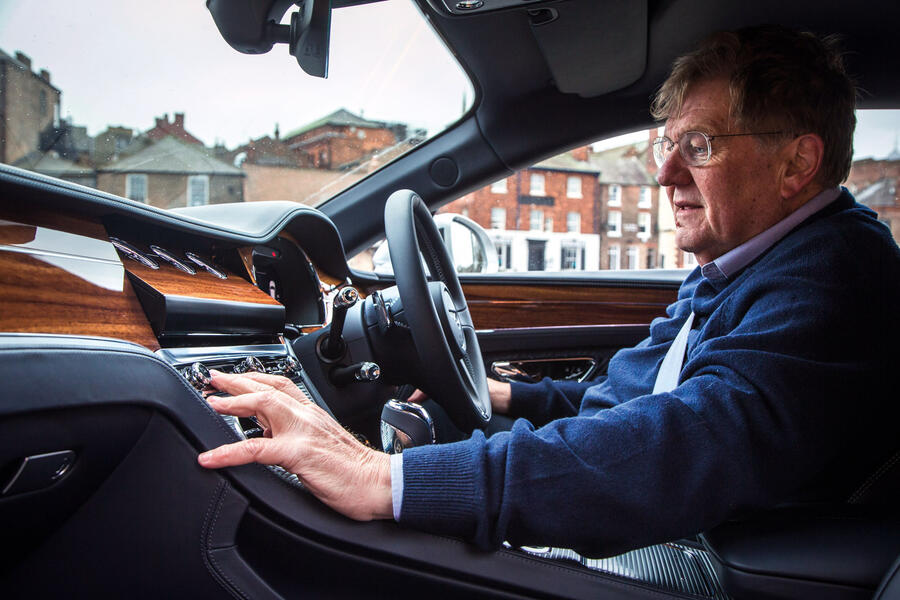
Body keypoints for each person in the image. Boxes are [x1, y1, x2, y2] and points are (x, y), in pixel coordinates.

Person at [198, 25, 900, 557]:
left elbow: (690, 442)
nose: (665, 177)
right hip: (674, 526)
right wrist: (504, 394)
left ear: (796, 164)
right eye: (668, 144)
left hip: (712, 555)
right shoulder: (747, 261)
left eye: (702, 147)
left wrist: (384, 480)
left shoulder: (833, 273)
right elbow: (643, 392)